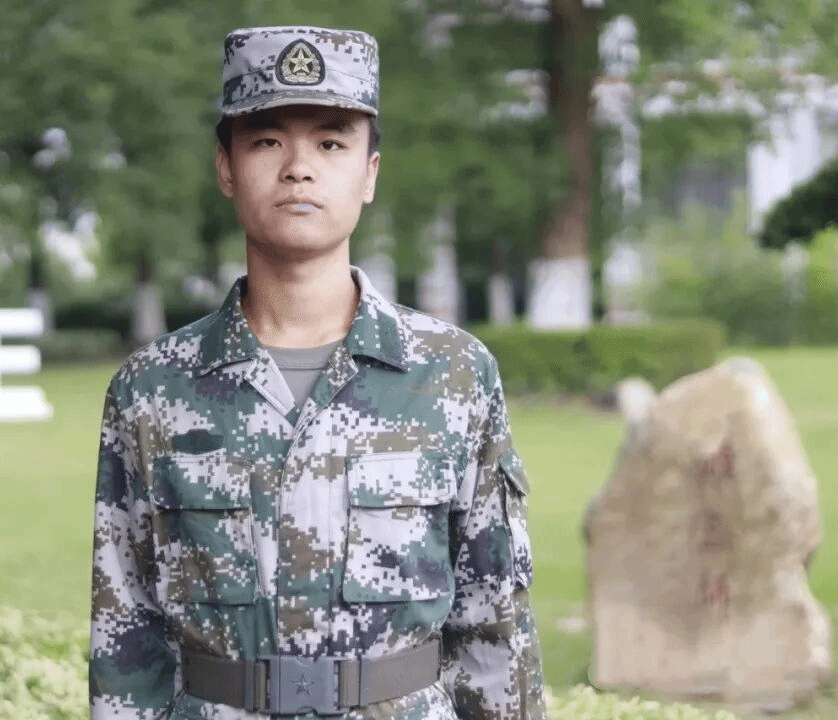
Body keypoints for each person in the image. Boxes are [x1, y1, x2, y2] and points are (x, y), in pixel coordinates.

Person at [89, 25, 547, 720]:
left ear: (370, 173)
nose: (299, 168)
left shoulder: (452, 374)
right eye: (266, 141)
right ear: (225, 167)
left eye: (331, 143)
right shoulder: (153, 388)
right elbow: (126, 633)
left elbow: (495, 623)